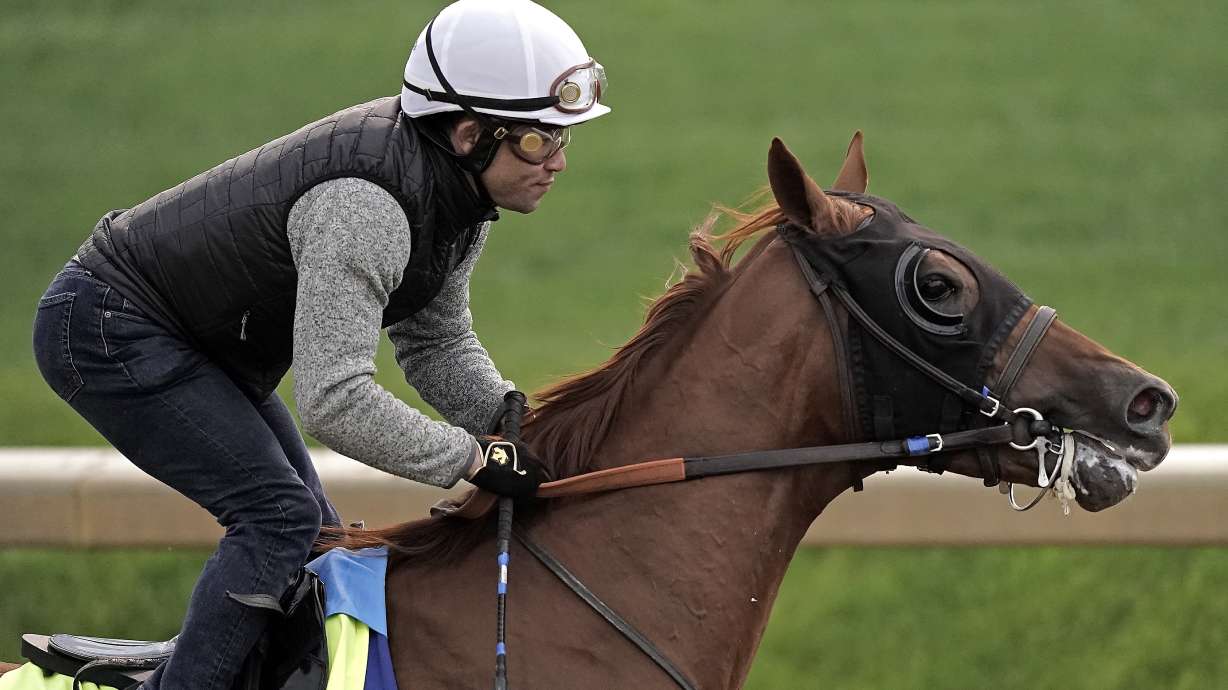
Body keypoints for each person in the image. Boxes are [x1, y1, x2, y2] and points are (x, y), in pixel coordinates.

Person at [29, 0, 608, 687]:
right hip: (106, 329)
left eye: (563, 139)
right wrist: (474, 459)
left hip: (197, 344)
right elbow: (336, 403)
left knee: (318, 545)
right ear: (468, 134)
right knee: (279, 519)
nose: (558, 163)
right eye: (538, 141)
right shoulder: (367, 208)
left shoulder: (460, 199)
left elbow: (436, 343)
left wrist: (519, 426)